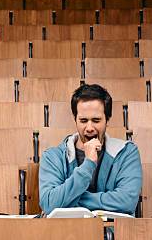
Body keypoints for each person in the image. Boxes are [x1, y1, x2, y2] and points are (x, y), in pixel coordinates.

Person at [39, 84, 142, 215]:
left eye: (96, 120)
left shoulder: (127, 152)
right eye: (83, 120)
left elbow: (127, 202)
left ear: (107, 120)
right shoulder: (52, 156)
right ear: (75, 119)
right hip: (65, 232)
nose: (89, 128)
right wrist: (88, 164)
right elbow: (49, 204)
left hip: (112, 232)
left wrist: (72, 199)